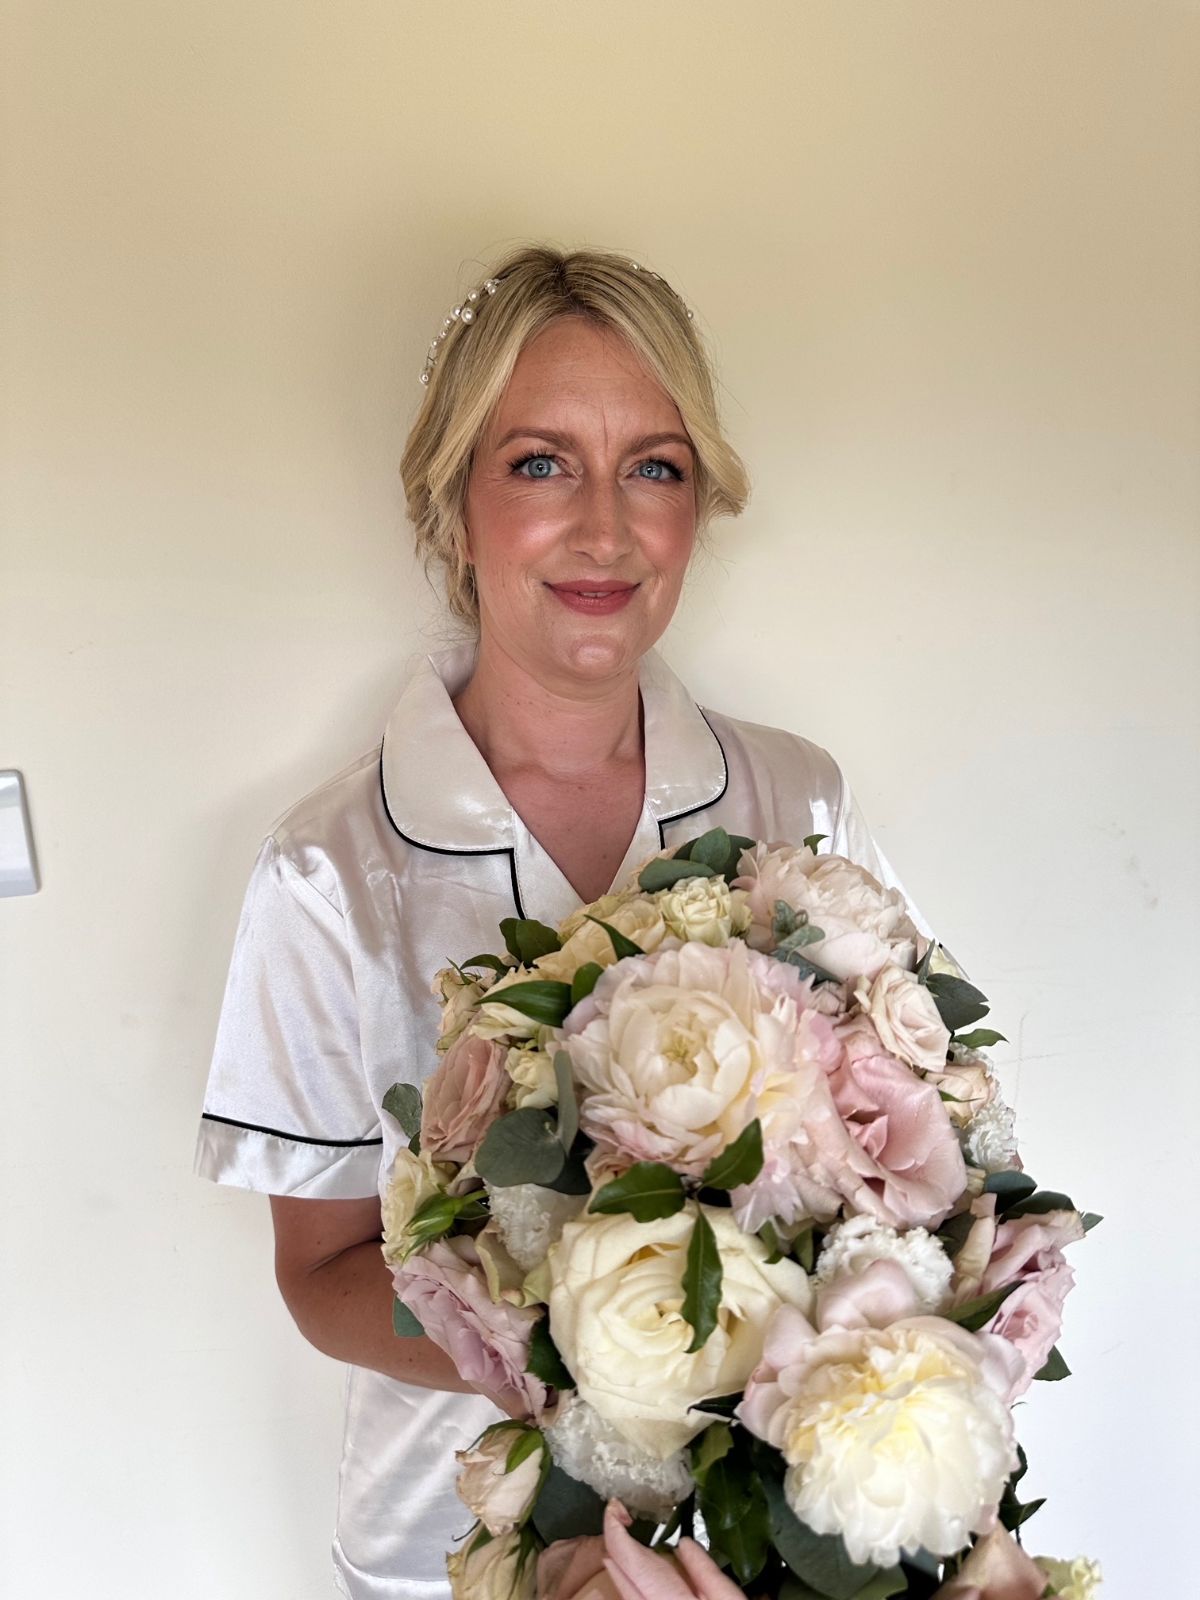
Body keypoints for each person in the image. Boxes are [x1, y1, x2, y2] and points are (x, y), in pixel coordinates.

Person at [194, 244, 924, 1599]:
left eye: (655, 468)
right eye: (540, 464)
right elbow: (324, 1274)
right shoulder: (330, 870)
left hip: (771, 1540)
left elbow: (910, 1153)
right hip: (459, 1544)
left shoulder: (799, 805)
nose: (606, 530)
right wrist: (612, 1353)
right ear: (452, 503)